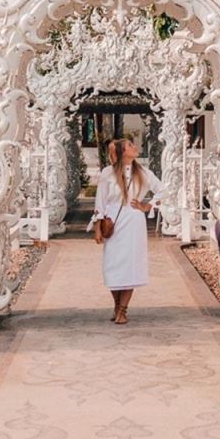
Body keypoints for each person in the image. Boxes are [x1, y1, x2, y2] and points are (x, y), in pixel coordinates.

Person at [91, 136, 162, 325]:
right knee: (113, 264)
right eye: (130, 145)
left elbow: (164, 190)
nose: (135, 147)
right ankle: (116, 304)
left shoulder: (144, 173)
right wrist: (98, 227)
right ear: (123, 152)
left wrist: (148, 205)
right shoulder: (108, 173)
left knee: (131, 265)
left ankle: (123, 310)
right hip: (112, 221)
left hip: (133, 222)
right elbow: (100, 200)